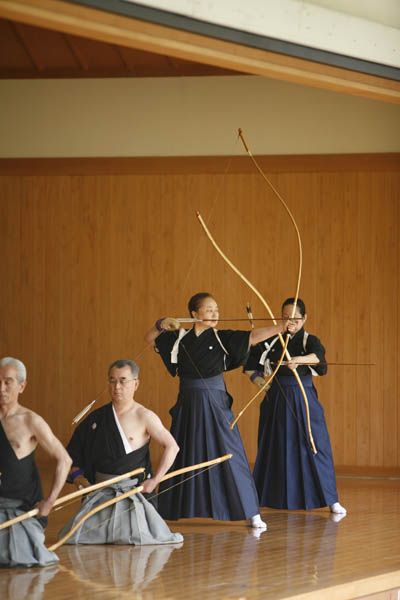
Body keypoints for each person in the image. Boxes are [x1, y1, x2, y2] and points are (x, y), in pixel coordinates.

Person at [144, 292, 287, 529]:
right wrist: (160, 324)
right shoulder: (179, 337)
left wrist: (281, 327)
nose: (215, 313)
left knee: (231, 452)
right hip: (188, 402)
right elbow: (150, 339)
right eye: (209, 309)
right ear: (194, 313)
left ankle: (251, 512)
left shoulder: (222, 337)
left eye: (217, 310)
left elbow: (252, 336)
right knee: (181, 452)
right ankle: (169, 509)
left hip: (215, 401)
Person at [59, 359, 183, 545]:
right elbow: (72, 456)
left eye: (123, 381)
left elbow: (172, 447)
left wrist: (155, 480)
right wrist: (79, 479)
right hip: (100, 495)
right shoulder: (96, 418)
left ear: (136, 384)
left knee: (138, 538)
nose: (117, 387)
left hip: (133, 495)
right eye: (112, 380)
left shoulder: (144, 416)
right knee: (72, 538)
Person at [245, 298, 346, 514]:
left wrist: (299, 360)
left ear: (304, 318)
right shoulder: (272, 340)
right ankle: (263, 499)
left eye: (295, 318)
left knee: (315, 444)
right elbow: (250, 366)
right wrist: (262, 384)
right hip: (276, 398)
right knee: (274, 446)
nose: (290, 322)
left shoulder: (310, 340)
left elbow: (318, 358)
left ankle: (331, 499)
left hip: (303, 396)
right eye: (285, 318)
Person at [0, 356, 72, 567]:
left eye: (8, 382)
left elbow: (64, 459)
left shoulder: (30, 420)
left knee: (18, 556)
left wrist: (50, 500)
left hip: (19, 510)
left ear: (22, 386)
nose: (1, 388)